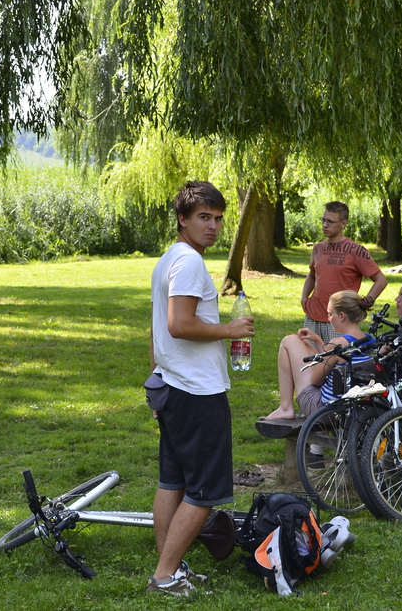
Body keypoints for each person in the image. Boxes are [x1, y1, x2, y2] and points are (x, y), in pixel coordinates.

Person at [147, 181, 255, 597]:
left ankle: (170, 569)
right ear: (183, 220)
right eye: (203, 218)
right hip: (196, 392)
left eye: (218, 219)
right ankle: (164, 577)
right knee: (204, 491)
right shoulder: (189, 262)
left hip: (173, 386)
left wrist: (156, 376)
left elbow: (156, 329)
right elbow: (178, 324)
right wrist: (230, 329)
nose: (213, 226)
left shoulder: (168, 259)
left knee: (172, 482)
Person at [261, 290, 375, 421]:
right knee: (303, 344)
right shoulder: (370, 340)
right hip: (353, 408)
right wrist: (317, 340)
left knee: (290, 341)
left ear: (341, 316)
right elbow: (334, 359)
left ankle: (285, 407)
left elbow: (316, 380)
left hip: (324, 410)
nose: (328, 319)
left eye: (330, 314)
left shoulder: (338, 343)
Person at [301, 201, 388, 344]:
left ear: (343, 223)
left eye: (330, 221)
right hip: (313, 315)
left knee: (335, 357)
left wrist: (365, 302)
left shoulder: (356, 250)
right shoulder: (318, 248)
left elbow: (381, 281)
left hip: (340, 319)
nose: (325, 225)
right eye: (323, 220)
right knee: (310, 357)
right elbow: (312, 275)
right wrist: (304, 298)